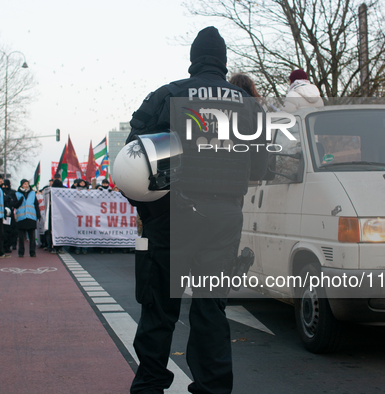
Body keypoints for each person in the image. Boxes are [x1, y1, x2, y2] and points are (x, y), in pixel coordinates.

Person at [126, 26, 267, 394]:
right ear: (223, 61)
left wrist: (148, 212)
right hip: (223, 219)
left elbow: (131, 161)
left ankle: (150, 384)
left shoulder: (168, 94)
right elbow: (262, 168)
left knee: (159, 308)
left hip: (172, 217)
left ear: (193, 59)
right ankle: (213, 386)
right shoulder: (248, 105)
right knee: (209, 309)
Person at [15, 179, 39, 257]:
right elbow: (15, 205)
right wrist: (20, 201)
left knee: (32, 237)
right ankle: (21, 252)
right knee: (21, 237)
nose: (26, 185)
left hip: (31, 217)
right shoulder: (17, 194)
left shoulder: (32, 193)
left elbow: (36, 205)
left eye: (27, 184)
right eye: (24, 184)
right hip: (21, 218)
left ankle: (32, 252)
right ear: (21, 185)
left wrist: (38, 215)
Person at [1, 179, 19, 254]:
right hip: (2, 213)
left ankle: (11, 244)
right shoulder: (1, 192)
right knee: (4, 231)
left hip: (10, 213)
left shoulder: (12, 192)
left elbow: (15, 203)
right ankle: (4, 246)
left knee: (12, 230)